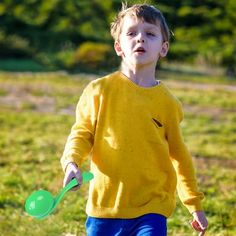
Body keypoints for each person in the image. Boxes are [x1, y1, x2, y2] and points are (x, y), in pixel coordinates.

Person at [60, 3, 208, 236]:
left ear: (164, 48)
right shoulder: (99, 90)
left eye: (150, 34)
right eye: (131, 33)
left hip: (152, 207)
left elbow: (180, 156)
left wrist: (193, 204)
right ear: (119, 46)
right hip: (105, 208)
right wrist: (71, 162)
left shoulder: (168, 103)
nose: (140, 39)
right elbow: (82, 133)